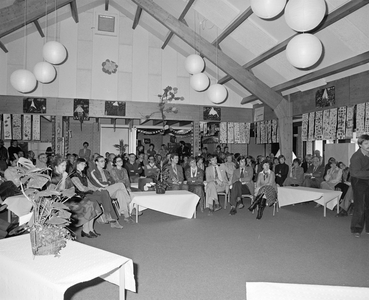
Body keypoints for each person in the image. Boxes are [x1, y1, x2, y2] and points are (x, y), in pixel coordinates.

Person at [50, 156, 110, 238]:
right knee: (87, 205)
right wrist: (64, 179)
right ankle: (85, 230)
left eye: (65, 166)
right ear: (56, 167)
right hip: (61, 201)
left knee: (93, 203)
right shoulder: (53, 177)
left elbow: (72, 188)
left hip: (70, 197)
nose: (64, 168)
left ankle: (89, 229)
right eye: (62, 166)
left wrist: (71, 191)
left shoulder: (65, 175)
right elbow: (60, 191)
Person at [69, 158, 123, 233]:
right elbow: (81, 188)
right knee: (105, 197)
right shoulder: (73, 175)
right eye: (82, 164)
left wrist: (98, 189)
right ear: (77, 164)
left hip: (89, 193)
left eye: (85, 164)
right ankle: (110, 217)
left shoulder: (83, 174)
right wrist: (94, 190)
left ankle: (108, 215)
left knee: (104, 192)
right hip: (81, 196)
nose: (84, 166)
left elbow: (90, 185)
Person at [90, 156, 134, 223]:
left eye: (104, 161)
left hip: (109, 190)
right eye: (101, 161)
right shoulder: (93, 172)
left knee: (120, 192)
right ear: (96, 162)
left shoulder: (106, 171)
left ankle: (126, 215)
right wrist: (108, 183)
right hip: (101, 191)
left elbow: (112, 181)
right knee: (121, 185)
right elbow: (99, 183)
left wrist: (108, 183)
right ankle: (128, 200)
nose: (104, 162)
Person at [349, 134, 369, 237]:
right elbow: (356, 173)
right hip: (358, 181)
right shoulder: (356, 157)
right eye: (366, 143)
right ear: (360, 145)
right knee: (360, 206)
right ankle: (356, 229)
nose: (368, 145)